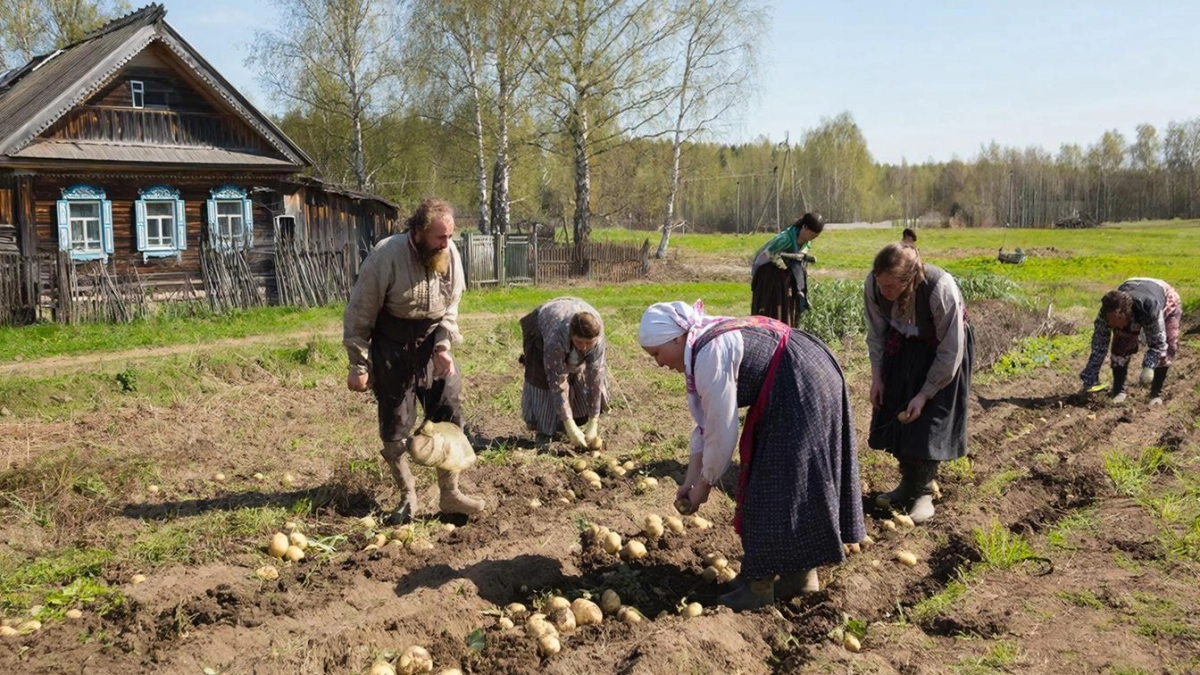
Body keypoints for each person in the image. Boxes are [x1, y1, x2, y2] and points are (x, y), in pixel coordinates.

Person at [638, 300, 865, 611]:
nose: (658, 364)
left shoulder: (709, 353)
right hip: (803, 372)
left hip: (800, 382)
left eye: (656, 354)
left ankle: (758, 585)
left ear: (677, 338)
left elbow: (721, 429)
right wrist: (690, 479)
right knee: (792, 482)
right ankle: (798, 578)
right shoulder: (702, 342)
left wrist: (704, 485)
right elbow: (705, 425)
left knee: (768, 486)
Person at [343, 197, 484, 524]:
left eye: (450, 236)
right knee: (395, 424)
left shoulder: (450, 255)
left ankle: (450, 494)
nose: (446, 244)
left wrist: (444, 345)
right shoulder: (386, 256)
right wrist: (358, 365)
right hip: (392, 348)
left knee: (449, 409)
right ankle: (408, 495)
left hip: (432, 344)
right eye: (439, 237)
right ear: (419, 232)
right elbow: (359, 314)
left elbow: (452, 305)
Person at [865, 243, 973, 525]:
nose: (884, 291)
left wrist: (925, 394)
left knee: (927, 419)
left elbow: (951, 352)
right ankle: (907, 487)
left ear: (908, 280)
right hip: (901, 345)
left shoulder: (940, 289)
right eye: (881, 284)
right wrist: (877, 376)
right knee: (896, 409)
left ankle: (923, 492)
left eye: (890, 286)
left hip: (941, 350)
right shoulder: (874, 285)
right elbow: (876, 333)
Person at [519, 297, 609, 448]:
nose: (584, 347)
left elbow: (595, 378)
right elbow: (557, 382)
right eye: (579, 342)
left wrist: (594, 420)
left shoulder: (597, 339)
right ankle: (548, 429)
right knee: (543, 378)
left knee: (579, 369)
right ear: (571, 335)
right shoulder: (555, 339)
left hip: (573, 309)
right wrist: (569, 425)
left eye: (589, 343)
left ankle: (579, 419)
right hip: (546, 322)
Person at [1080, 278, 1182, 405]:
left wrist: (1148, 367)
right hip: (1132, 284)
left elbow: (1158, 343)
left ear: (1126, 313)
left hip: (1165, 296)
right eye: (1109, 319)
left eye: (1115, 319)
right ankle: (1118, 391)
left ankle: (1156, 394)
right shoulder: (1105, 314)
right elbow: (1098, 346)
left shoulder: (1149, 309)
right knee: (1120, 345)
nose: (1111, 324)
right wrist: (1090, 379)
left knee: (1169, 343)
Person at [750, 213, 825, 326]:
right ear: (805, 227)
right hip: (769, 275)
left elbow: (803, 250)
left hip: (786, 277)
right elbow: (765, 255)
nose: (813, 239)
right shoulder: (785, 238)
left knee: (788, 306)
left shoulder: (806, 241)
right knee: (773, 308)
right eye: (812, 235)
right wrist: (782, 265)